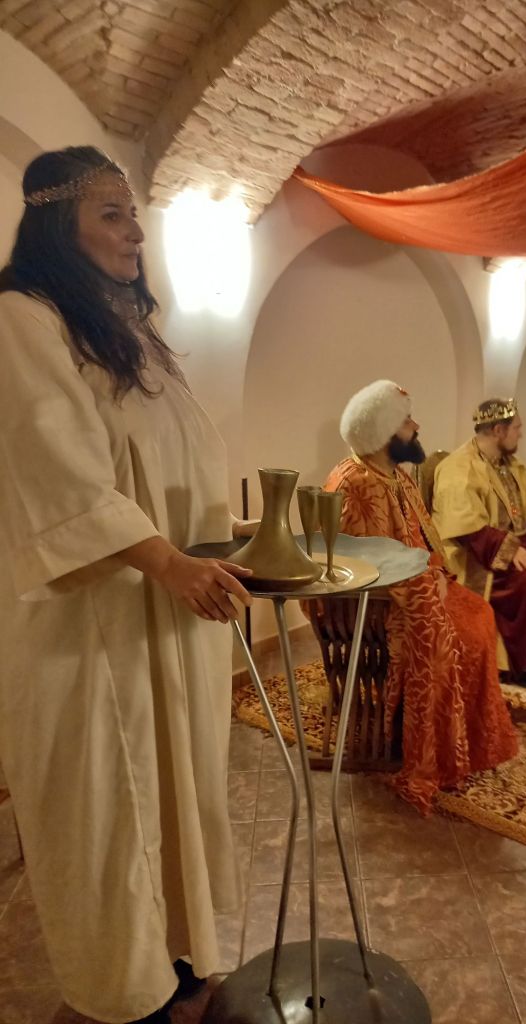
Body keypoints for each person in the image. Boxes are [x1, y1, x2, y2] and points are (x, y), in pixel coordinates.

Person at [0, 147, 257, 1023]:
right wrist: (170, 563)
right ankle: (126, 993)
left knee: (176, 792)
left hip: (165, 618)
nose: (134, 233)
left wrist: (231, 537)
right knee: (112, 809)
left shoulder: (127, 332)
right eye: (110, 213)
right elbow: (61, 478)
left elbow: (176, 465)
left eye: (133, 214)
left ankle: (178, 964)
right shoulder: (24, 320)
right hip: (90, 635)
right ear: (56, 223)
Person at [324, 380, 518, 813]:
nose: (416, 426)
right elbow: (359, 567)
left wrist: (438, 575)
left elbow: (422, 540)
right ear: (383, 432)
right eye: (406, 420)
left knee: (480, 613)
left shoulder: (398, 475)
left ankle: (466, 737)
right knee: (458, 633)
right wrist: (428, 584)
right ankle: (431, 747)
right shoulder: (355, 482)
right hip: (374, 606)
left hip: (417, 587)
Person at [431, 398, 526, 687]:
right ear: (498, 431)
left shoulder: (510, 464)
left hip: (515, 542)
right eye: (517, 428)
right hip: (475, 552)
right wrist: (509, 550)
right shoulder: (458, 468)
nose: (521, 434)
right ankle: (518, 664)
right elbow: (466, 528)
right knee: (525, 578)